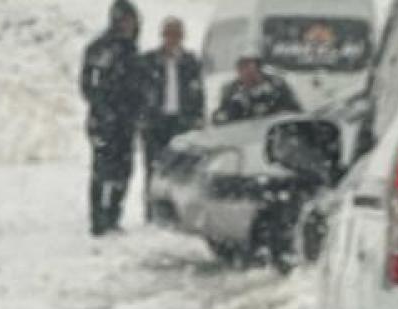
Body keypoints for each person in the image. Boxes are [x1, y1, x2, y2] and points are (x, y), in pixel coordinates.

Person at [80, 0, 145, 236]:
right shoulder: (99, 49)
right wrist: (104, 108)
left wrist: (137, 112)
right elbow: (88, 85)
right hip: (104, 120)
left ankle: (113, 216)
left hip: (127, 121)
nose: (129, 25)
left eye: (132, 21)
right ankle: (98, 220)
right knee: (102, 170)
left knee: (124, 170)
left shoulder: (133, 51)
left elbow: (140, 87)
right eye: (125, 20)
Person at [140, 17, 205, 220]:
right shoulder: (149, 61)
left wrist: (197, 117)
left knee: (180, 169)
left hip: (181, 122)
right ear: (163, 35)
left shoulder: (191, 61)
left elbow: (198, 93)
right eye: (169, 34)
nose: (173, 38)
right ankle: (152, 213)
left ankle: (176, 214)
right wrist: (143, 116)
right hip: (155, 122)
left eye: (177, 34)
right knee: (154, 168)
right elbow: (139, 91)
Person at [212, 56, 302, 126]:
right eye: (242, 69)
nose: (246, 75)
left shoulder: (277, 85)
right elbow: (219, 118)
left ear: (259, 70)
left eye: (250, 70)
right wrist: (232, 111)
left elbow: (295, 112)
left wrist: (275, 109)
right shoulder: (231, 90)